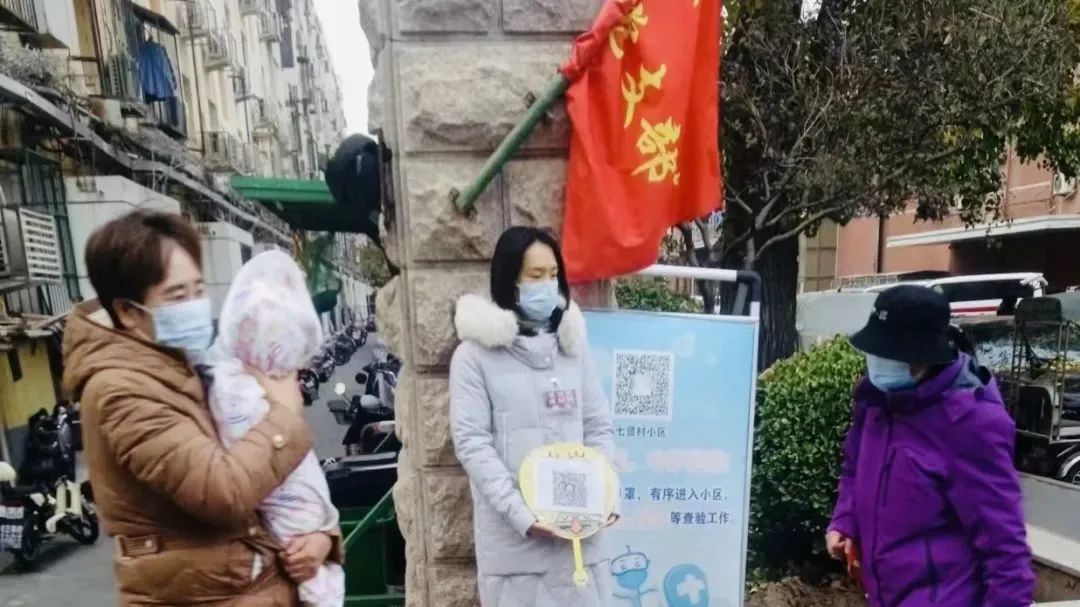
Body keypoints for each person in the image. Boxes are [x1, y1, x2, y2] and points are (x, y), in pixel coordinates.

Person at [62, 211, 341, 605]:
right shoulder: (121, 393)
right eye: (178, 296)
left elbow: (270, 486)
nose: (195, 305)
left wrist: (320, 537)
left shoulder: (186, 364)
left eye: (199, 290)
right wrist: (283, 416)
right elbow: (222, 493)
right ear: (128, 311)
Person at [827, 285, 1034, 606]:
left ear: (925, 356)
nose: (878, 362)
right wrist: (845, 520)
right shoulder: (876, 401)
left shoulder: (970, 422)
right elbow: (855, 466)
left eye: (890, 354)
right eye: (875, 352)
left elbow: (1004, 545)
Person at [450, 227, 618, 607]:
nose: (547, 285)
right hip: (515, 549)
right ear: (509, 280)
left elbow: (598, 427)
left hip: (579, 540)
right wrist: (522, 515)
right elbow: (472, 444)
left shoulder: (573, 348)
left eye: (553, 274)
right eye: (535, 275)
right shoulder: (473, 357)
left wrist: (604, 495)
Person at [206, 250, 344, 607]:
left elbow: (303, 485)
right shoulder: (229, 395)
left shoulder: (234, 382)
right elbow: (229, 488)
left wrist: (325, 538)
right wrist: (284, 414)